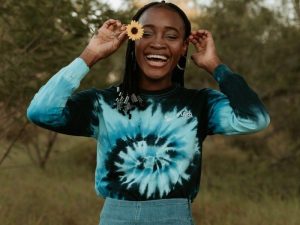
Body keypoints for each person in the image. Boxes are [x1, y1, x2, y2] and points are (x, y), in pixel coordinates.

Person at [27, 1, 270, 224]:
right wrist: (90, 54)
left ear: (184, 47)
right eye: (147, 33)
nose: (158, 43)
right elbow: (41, 111)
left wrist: (216, 66)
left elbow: (255, 119)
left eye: (172, 36)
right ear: (132, 40)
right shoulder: (105, 102)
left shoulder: (199, 104)